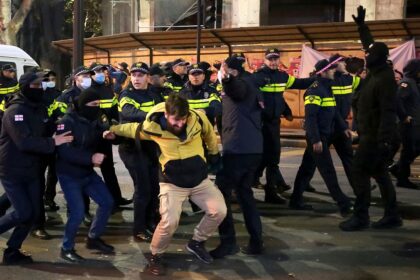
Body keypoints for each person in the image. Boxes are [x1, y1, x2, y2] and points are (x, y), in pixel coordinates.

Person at [104, 94, 227, 276]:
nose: (180, 124)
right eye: (176, 120)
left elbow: (209, 134)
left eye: (183, 119)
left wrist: (214, 154)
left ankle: (196, 242)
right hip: (172, 182)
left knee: (219, 211)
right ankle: (155, 255)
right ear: (166, 114)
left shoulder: (198, 118)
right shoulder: (153, 127)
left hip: (199, 179)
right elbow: (131, 129)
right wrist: (112, 130)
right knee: (169, 222)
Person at [339, 5, 402, 231]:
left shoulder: (384, 79)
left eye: (369, 55)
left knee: (360, 171)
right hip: (370, 134)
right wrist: (362, 27)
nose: (365, 55)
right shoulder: (376, 71)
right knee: (380, 173)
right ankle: (392, 215)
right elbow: (370, 45)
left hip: (375, 137)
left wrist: (384, 140)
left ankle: (361, 216)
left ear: (379, 58)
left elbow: (388, 111)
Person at [0, 71, 73, 265]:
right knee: (23, 212)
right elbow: (24, 142)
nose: (41, 88)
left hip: (33, 168)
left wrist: (64, 125)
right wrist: (53, 142)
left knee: (32, 214)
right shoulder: (14, 111)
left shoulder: (39, 107)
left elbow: (46, 127)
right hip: (12, 169)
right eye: (36, 85)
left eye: (42, 84)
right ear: (25, 87)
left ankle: (12, 252)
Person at [211, 55, 264, 259]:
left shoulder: (240, 84)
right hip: (253, 150)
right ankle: (256, 241)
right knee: (245, 195)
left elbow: (236, 90)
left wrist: (227, 80)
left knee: (220, 195)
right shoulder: (255, 84)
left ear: (232, 71)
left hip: (238, 150)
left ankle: (228, 242)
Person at [56, 89, 115, 263]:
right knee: (78, 213)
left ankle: (93, 238)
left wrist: (106, 135)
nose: (97, 108)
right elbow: (64, 151)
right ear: (83, 105)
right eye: (93, 105)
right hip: (69, 174)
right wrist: (90, 158)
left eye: (98, 105)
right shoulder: (67, 122)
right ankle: (66, 248)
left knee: (107, 202)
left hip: (87, 172)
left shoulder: (94, 120)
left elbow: (99, 134)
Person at [289, 58, 353, 216]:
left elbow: (335, 111)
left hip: (324, 134)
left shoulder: (327, 87)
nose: (334, 72)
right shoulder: (315, 90)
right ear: (323, 72)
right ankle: (342, 202)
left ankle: (295, 200)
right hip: (318, 138)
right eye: (331, 69)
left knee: (306, 169)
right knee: (328, 171)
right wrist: (316, 139)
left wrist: (343, 127)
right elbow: (310, 118)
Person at [252, 48, 313, 203]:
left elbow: (299, 84)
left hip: (274, 123)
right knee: (268, 156)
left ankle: (268, 186)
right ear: (265, 60)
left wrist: (316, 77)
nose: (273, 62)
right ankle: (268, 187)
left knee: (270, 157)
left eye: (275, 59)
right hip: (260, 123)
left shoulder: (282, 76)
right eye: (270, 59)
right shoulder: (258, 77)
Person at [118, 62, 162, 241]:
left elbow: (163, 111)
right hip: (132, 147)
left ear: (147, 77)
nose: (136, 78)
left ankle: (151, 221)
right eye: (134, 75)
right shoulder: (126, 94)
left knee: (154, 186)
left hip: (151, 146)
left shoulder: (154, 93)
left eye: (140, 75)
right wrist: (154, 115)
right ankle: (139, 228)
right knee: (142, 188)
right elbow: (130, 113)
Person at [90, 63, 132, 207]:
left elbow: (114, 111)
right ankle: (87, 207)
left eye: (103, 71)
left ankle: (116, 198)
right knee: (87, 169)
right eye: (97, 72)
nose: (102, 74)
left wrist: (116, 126)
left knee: (108, 168)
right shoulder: (88, 90)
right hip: (92, 135)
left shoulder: (107, 90)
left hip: (106, 134)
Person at [389, 59, 420, 189]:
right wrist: (404, 117)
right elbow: (397, 100)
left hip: (415, 123)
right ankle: (402, 178)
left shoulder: (414, 83)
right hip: (408, 124)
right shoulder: (406, 83)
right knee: (409, 150)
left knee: (415, 149)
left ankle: (397, 168)